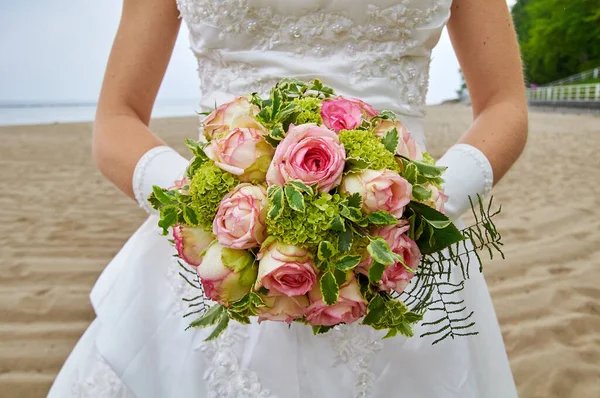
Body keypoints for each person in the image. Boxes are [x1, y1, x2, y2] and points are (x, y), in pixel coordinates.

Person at [48, 0, 528, 397]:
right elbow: (116, 120)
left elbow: (505, 104)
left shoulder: (408, 220)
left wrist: (418, 211)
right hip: (215, 255)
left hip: (400, 251)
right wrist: (206, 207)